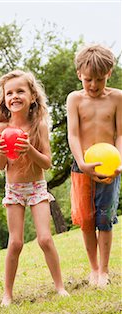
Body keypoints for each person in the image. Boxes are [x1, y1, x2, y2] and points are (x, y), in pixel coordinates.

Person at [0, 69, 69, 306]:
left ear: (32, 96)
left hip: (36, 187)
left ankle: (60, 287)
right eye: (9, 93)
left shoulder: (39, 125)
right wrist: (3, 152)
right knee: (15, 242)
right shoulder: (0, 128)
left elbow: (47, 162)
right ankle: (7, 294)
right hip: (13, 190)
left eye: (20, 91)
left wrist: (29, 150)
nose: (14, 96)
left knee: (45, 238)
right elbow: (1, 166)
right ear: (4, 98)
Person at [67, 44, 122, 288]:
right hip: (83, 167)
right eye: (88, 79)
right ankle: (93, 269)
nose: (93, 85)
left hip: (110, 168)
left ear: (109, 73)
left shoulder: (118, 97)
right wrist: (81, 162)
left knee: (104, 218)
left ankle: (104, 270)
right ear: (79, 73)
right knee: (87, 220)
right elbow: (74, 135)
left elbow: (120, 134)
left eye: (99, 80)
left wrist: (119, 160)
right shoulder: (75, 99)